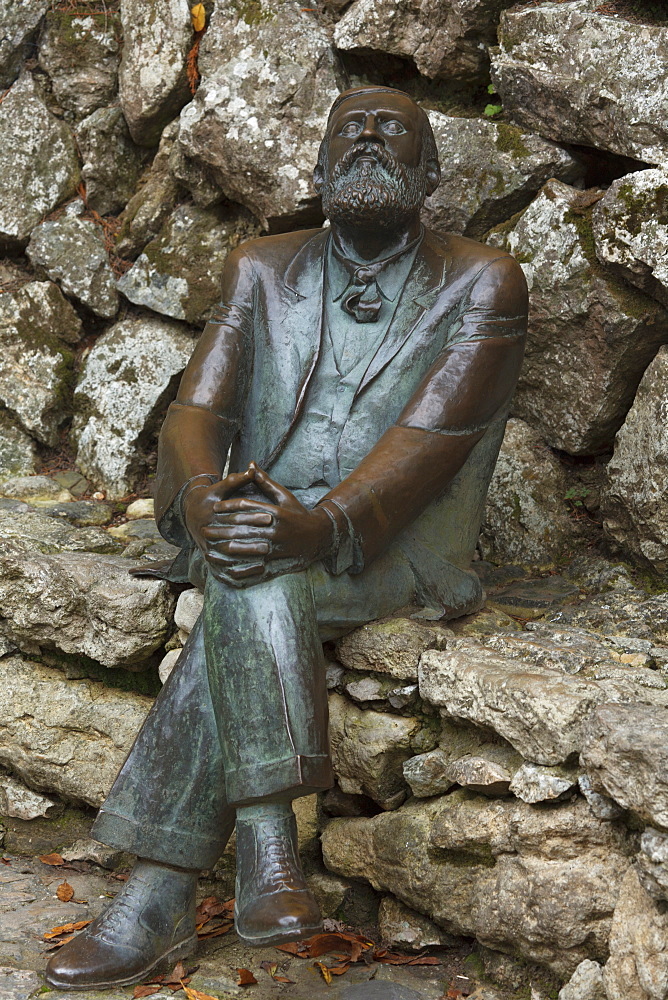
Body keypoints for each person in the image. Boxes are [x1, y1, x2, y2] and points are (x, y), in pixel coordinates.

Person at [46, 85, 528, 991]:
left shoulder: (484, 279)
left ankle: (162, 892)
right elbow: (198, 411)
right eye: (351, 129)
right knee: (253, 559)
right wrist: (199, 502)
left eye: (396, 130)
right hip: (257, 522)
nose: (371, 138)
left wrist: (321, 523)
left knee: (254, 570)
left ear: (429, 175)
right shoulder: (261, 269)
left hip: (393, 542)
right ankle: (264, 854)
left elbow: (432, 442)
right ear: (316, 167)